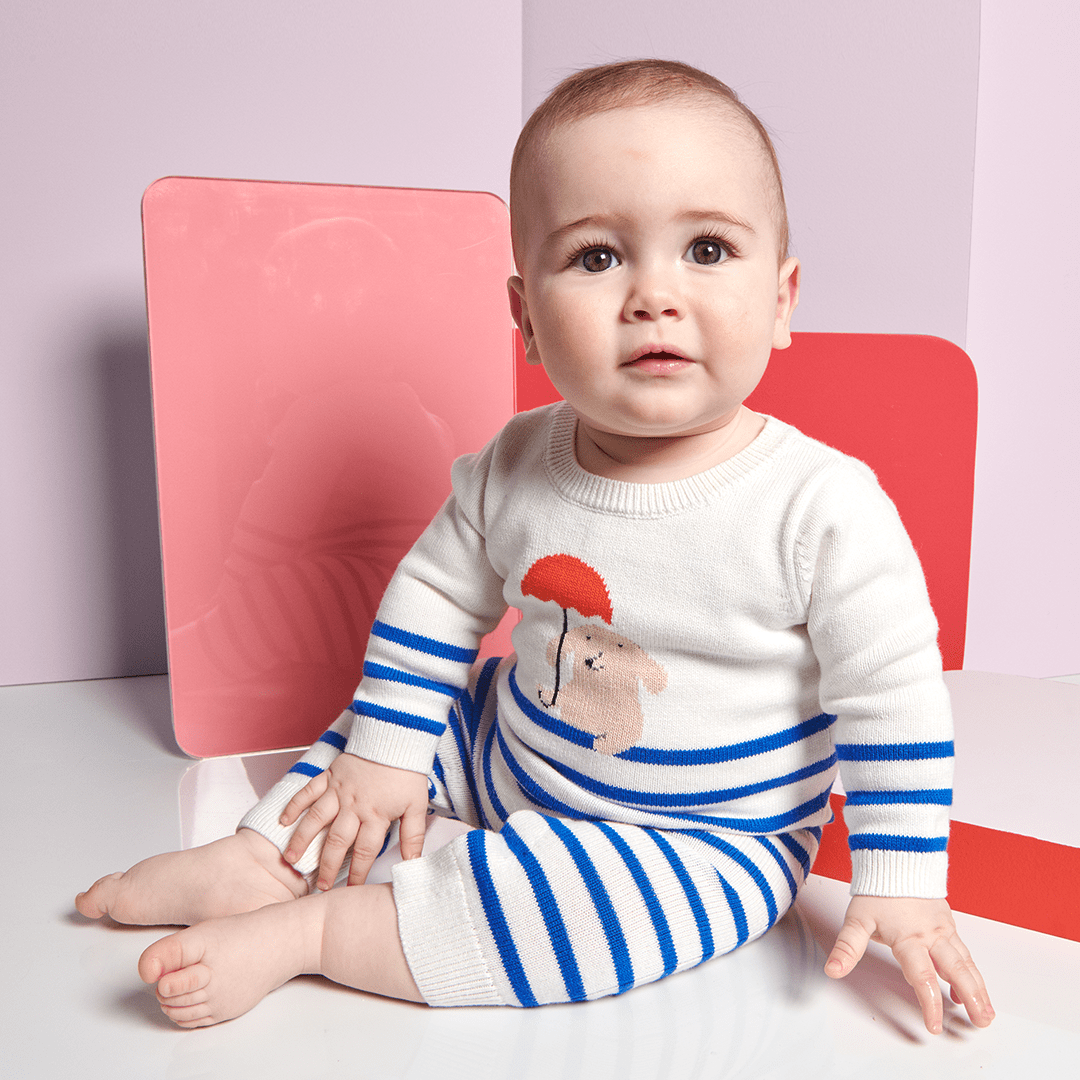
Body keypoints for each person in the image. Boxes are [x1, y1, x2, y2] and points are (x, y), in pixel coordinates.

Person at [76, 59, 994, 1034]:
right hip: (510, 749)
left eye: (707, 249)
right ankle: (264, 858)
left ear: (781, 299)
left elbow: (891, 697)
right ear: (525, 320)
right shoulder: (516, 460)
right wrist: (388, 751)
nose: (653, 295)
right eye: (597, 257)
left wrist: (904, 882)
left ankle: (320, 933)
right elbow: (435, 598)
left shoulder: (821, 507)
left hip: (710, 839)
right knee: (388, 729)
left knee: (590, 920)